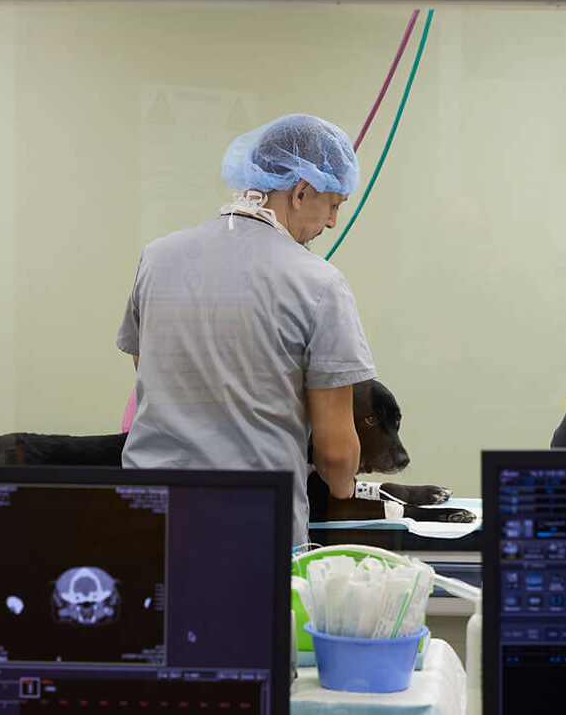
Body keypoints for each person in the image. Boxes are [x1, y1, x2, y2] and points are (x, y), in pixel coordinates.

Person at [117, 113, 376, 543]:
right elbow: (334, 452)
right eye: (334, 205)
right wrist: (344, 488)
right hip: (252, 525)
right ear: (301, 192)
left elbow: (149, 371)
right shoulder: (320, 283)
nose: (333, 222)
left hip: (151, 518)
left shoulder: (158, 256)